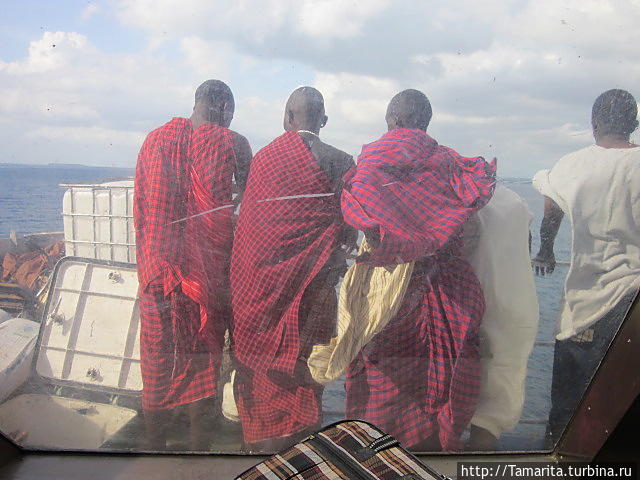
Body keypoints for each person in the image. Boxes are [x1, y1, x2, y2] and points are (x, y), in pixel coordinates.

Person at [341, 89, 496, 452]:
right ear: (426, 123)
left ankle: (382, 458)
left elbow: (358, 213)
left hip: (389, 297)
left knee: (385, 386)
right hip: (450, 295)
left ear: (391, 121)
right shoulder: (451, 163)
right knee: (442, 386)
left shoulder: (373, 159)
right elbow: (469, 209)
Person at [230, 86, 355, 452]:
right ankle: (302, 455)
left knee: (260, 376)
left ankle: (263, 452)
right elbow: (347, 234)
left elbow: (250, 232)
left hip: (259, 293)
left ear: (286, 117)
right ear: (325, 121)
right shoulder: (342, 161)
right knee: (306, 372)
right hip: (313, 294)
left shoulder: (264, 159)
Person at [134, 79, 249, 450]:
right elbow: (250, 208)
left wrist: (149, 261)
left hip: (158, 276)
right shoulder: (230, 142)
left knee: (156, 363)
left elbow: (140, 208)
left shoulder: (153, 140)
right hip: (205, 280)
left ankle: (154, 450)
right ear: (226, 110)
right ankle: (199, 452)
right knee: (204, 363)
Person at [532, 89, 640, 442]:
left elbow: (551, 208)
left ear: (594, 126)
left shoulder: (573, 164)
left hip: (587, 306)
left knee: (568, 409)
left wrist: (546, 250)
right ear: (634, 125)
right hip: (634, 305)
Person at [463, 186, 539, 450]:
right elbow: (526, 247)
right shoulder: (516, 200)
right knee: (491, 415)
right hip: (518, 307)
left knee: (452, 402)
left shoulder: (467, 201)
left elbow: (459, 251)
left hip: (479, 307)